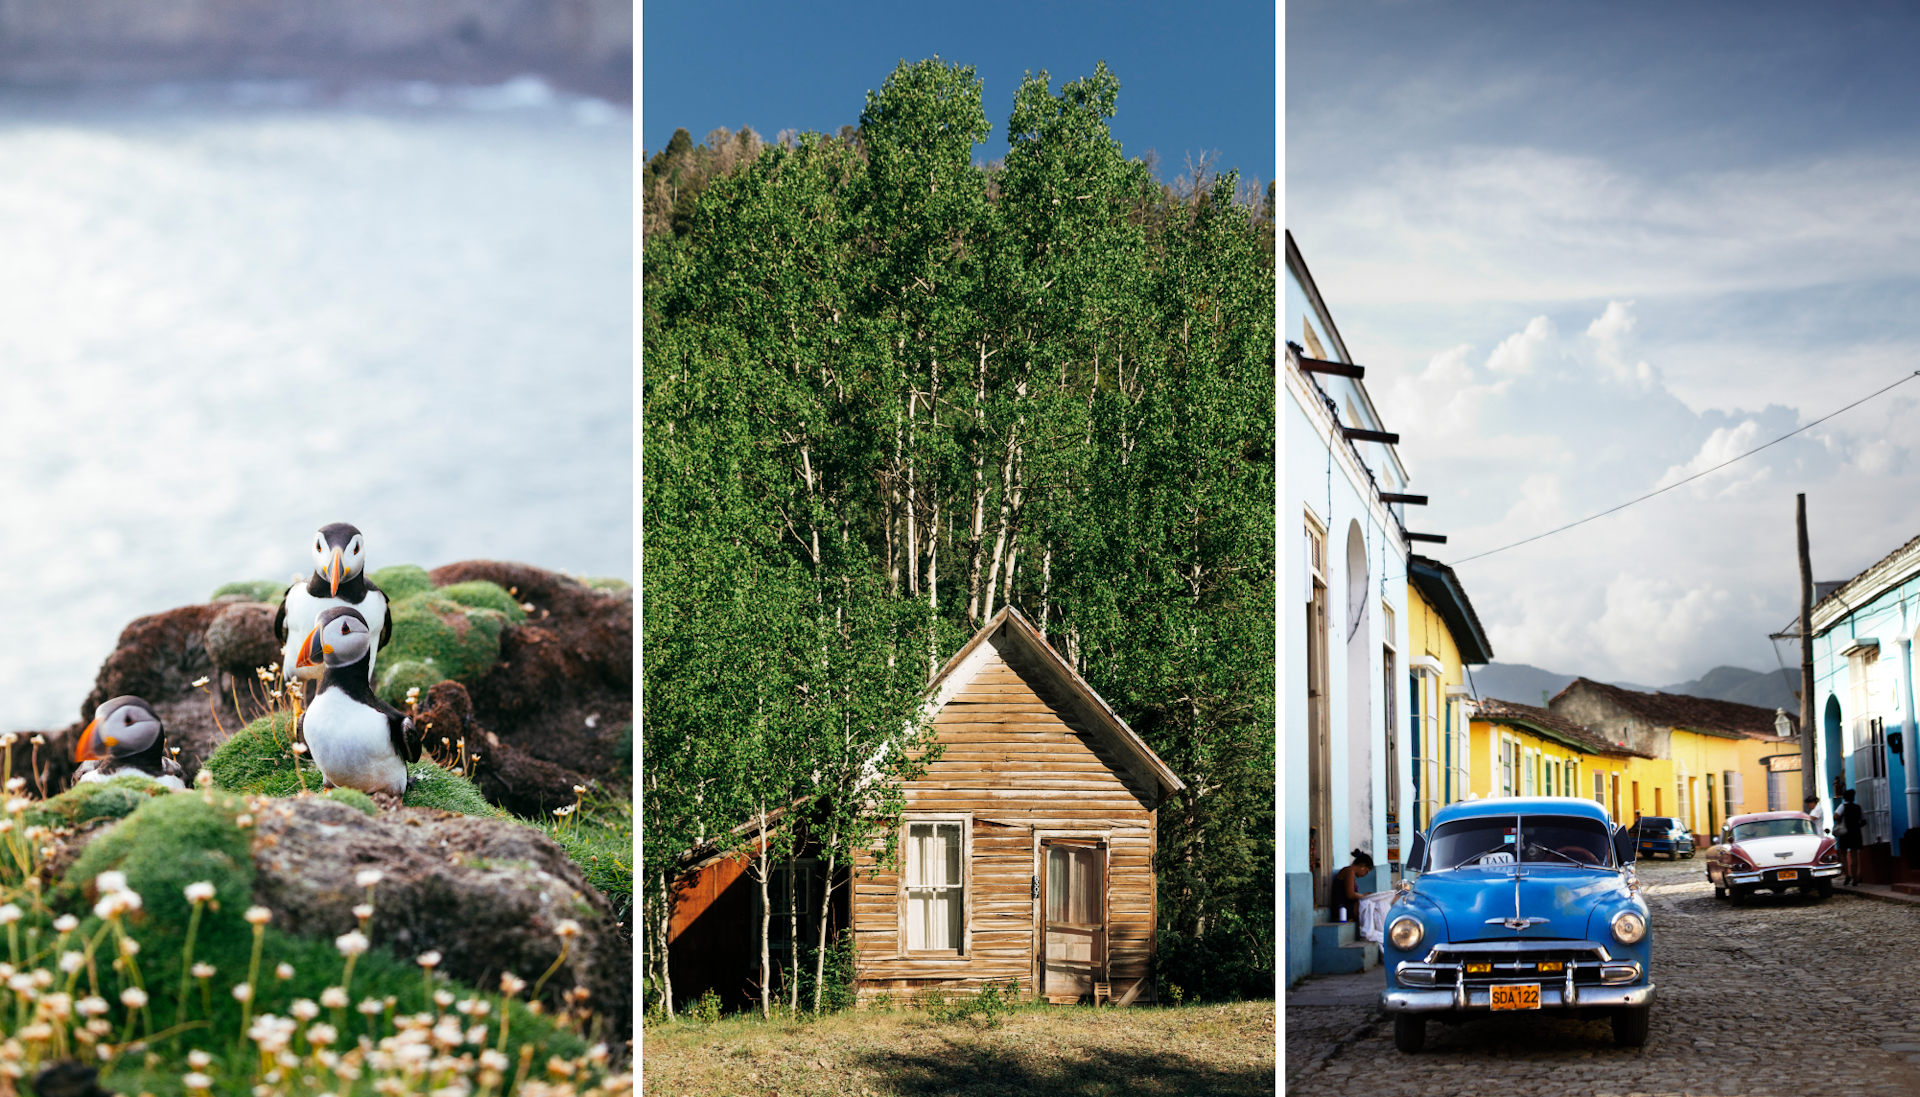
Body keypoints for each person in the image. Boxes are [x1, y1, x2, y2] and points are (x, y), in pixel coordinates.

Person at [1330, 850, 1374, 925]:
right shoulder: (1348, 871)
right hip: (1342, 908)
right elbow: (1350, 895)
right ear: (1363, 866)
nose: (1365, 875)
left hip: (1347, 906)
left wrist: (1365, 895)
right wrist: (1365, 896)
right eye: (1367, 871)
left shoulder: (1350, 872)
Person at [1836, 788, 1866, 885]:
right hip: (1855, 833)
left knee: (1842, 854)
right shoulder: (1858, 807)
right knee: (1854, 855)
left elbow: (1835, 816)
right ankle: (1855, 876)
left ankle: (1847, 874)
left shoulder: (1842, 806)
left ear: (1844, 797)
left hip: (1845, 833)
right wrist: (1856, 826)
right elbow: (1864, 821)